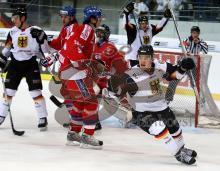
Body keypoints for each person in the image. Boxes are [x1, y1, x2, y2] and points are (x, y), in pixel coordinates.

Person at [109, 45, 197, 165]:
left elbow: (174, 76)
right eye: (140, 57)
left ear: (152, 58)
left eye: (146, 57)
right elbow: (118, 89)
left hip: (161, 107)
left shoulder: (160, 65)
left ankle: (182, 148)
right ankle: (178, 154)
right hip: (141, 113)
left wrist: (182, 68)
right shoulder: (131, 74)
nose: (143, 61)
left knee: (175, 128)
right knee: (158, 127)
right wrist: (114, 90)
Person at [41, 6, 104, 148]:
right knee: (91, 101)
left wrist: (53, 58)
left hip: (69, 71)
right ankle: (88, 135)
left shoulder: (79, 29)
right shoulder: (86, 29)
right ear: (93, 18)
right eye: (99, 18)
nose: (100, 21)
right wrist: (80, 64)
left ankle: (73, 134)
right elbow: (72, 46)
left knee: (79, 103)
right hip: (75, 72)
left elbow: (66, 47)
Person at [0, 7, 55, 131]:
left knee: (35, 92)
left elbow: (46, 49)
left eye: (16, 18)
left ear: (23, 18)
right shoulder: (12, 32)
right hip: (15, 64)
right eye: (12, 18)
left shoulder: (36, 30)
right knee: (8, 92)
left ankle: (42, 118)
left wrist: (42, 39)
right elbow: (7, 48)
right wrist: (2, 59)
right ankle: (1, 115)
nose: (13, 21)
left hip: (31, 64)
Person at [94, 24, 129, 128]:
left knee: (106, 102)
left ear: (106, 35)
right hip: (93, 79)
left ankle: (129, 115)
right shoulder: (93, 46)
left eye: (101, 33)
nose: (98, 35)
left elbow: (120, 64)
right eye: (97, 32)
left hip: (104, 82)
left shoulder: (110, 47)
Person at [165, 26, 208, 103]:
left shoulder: (201, 41)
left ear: (199, 33)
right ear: (191, 33)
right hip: (183, 64)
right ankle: (167, 100)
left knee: (196, 84)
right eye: (193, 32)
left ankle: (201, 102)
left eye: (197, 33)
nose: (195, 34)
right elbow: (182, 45)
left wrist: (199, 43)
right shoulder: (186, 40)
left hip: (193, 66)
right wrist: (186, 47)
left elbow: (206, 50)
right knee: (173, 81)